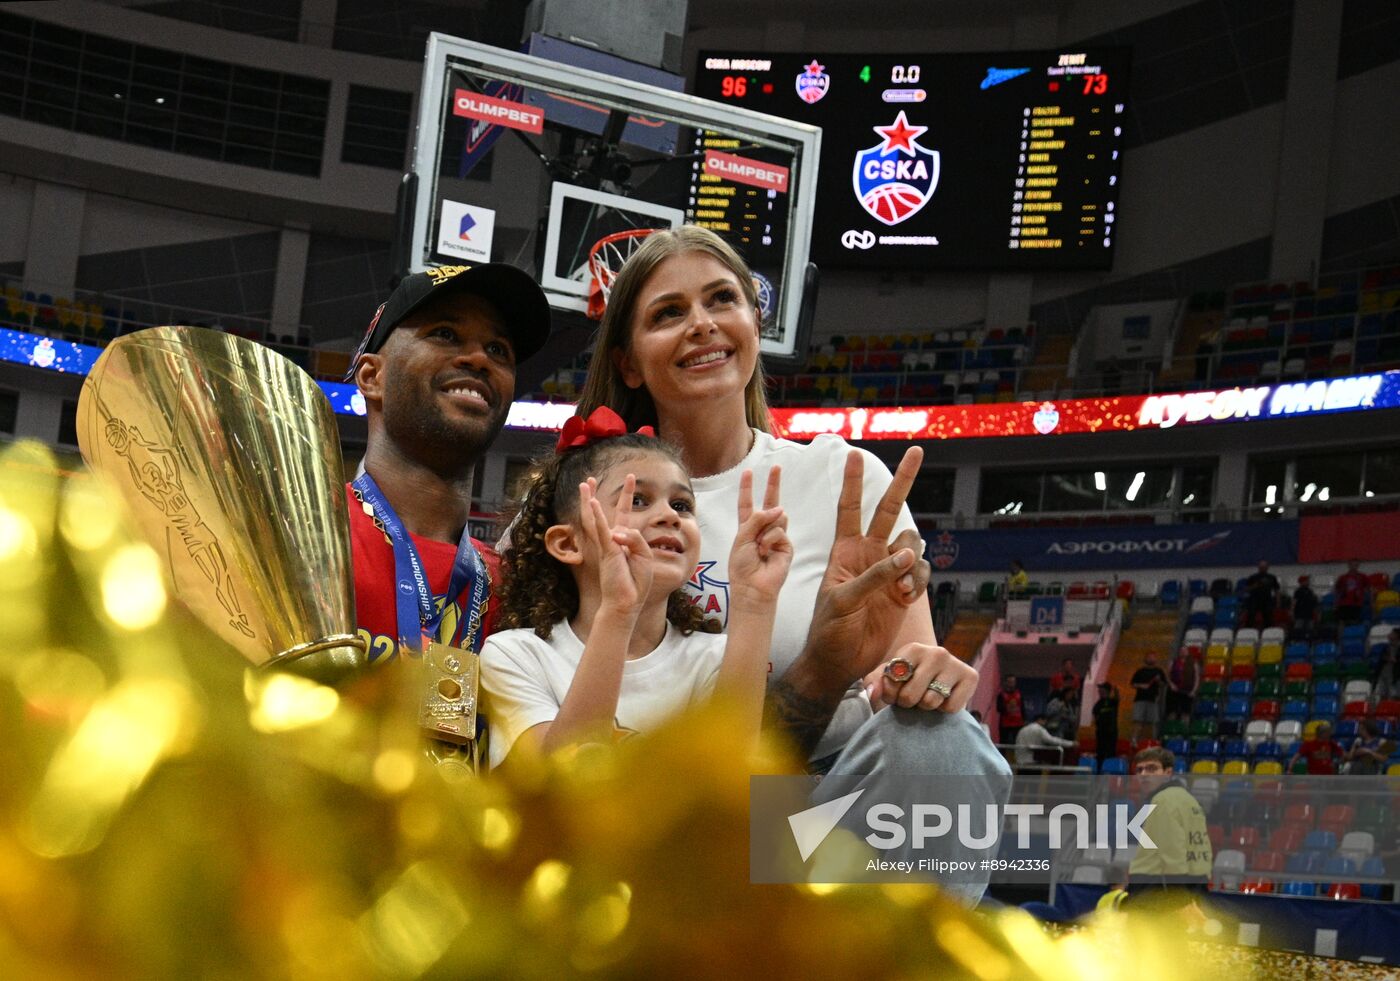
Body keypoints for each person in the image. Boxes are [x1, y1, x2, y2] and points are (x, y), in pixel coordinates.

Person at [572, 226, 1010, 899]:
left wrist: (923, 674)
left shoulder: (846, 479)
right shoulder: (585, 503)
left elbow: (910, 686)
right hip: (656, 829)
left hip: (811, 819)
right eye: (668, 313)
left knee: (939, 744)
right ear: (628, 363)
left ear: (755, 323)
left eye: (723, 300)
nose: (702, 324)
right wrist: (820, 669)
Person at [480, 425, 791, 766]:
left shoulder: (715, 658)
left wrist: (755, 605)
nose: (670, 516)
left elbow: (735, 789)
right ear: (568, 544)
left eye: (682, 505)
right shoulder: (515, 654)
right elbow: (554, 789)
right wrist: (619, 612)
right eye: (638, 500)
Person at [346, 262, 551, 666]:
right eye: (445, 334)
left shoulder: (517, 589)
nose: (478, 359)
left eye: (499, 350)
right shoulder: (303, 538)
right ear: (372, 376)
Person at [1126, 747, 1212, 908]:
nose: (1144, 775)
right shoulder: (1189, 799)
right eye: (1139, 770)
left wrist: (1178, 896)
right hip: (1195, 879)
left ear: (1168, 772)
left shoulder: (1163, 800)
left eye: (1152, 768)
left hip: (1156, 886)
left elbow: (1172, 850)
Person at [1130, 654, 1168, 742]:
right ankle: (1134, 741)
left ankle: (1153, 741)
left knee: (1153, 722)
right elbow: (1132, 684)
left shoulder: (1159, 671)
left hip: (1153, 699)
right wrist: (1141, 685)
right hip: (1140, 699)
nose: (1151, 658)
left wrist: (1159, 681)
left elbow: (1164, 685)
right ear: (1145, 659)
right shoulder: (1140, 671)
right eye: (1149, 657)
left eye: (1153, 657)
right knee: (1137, 720)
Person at [1165, 646, 1199, 722]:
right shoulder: (1173, 662)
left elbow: (1196, 678)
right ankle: (1171, 731)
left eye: (1184, 650)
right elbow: (1167, 675)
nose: (1183, 652)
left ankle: (1183, 731)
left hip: (1187, 691)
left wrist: (1193, 691)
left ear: (1187, 652)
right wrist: (1171, 684)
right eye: (1181, 650)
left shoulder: (1193, 663)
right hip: (1174, 691)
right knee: (1172, 713)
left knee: (1186, 713)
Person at [1243, 560, 1279, 629]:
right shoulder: (1253, 577)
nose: (1262, 568)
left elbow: (1276, 590)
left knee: (1268, 619)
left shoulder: (1272, 577)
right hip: (1254, 600)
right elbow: (1246, 589)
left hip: (1267, 600)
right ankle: (1248, 632)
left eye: (1264, 567)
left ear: (1267, 567)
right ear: (1258, 567)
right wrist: (1254, 586)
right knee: (1250, 617)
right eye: (1261, 567)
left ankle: (1268, 633)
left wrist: (1278, 602)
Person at [1093, 681, 1120, 771]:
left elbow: (1117, 699)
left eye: (1102, 689)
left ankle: (1110, 772)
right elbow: (1095, 716)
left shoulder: (1112, 701)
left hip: (1111, 732)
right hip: (1101, 733)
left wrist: (1116, 691)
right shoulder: (1098, 704)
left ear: (1107, 690)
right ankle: (1099, 772)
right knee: (1100, 753)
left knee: (1111, 753)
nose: (1099, 690)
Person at [1335, 559, 1370, 624]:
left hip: (1356, 603)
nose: (1354, 567)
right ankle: (1342, 634)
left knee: (1354, 622)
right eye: (1352, 565)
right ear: (1349, 565)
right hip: (1343, 603)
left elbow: (1369, 589)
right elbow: (1337, 590)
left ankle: (1353, 633)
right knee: (1342, 622)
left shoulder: (1363, 577)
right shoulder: (1342, 577)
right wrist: (1336, 603)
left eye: (1356, 565)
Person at [1373, 628, 1399, 704]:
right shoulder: (1386, 648)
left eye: (1392, 633)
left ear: (1397, 636)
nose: (1389, 634)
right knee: (1382, 695)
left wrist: (1395, 661)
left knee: (1394, 697)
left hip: (1394, 677)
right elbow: (1381, 660)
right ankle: (1383, 712)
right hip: (1383, 674)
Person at [997, 674, 1025, 745]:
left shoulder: (1019, 694)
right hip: (1005, 724)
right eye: (1009, 682)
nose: (1011, 684)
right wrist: (1008, 708)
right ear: (1006, 683)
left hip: (1018, 723)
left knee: (1018, 743)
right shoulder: (1001, 695)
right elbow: (998, 708)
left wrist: (1024, 719)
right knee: (1004, 743)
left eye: (1013, 682)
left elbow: (1023, 708)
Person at [1291, 575, 1319, 639]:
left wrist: (1316, 612)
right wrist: (1292, 612)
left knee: (1309, 631)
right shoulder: (1298, 591)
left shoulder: (1310, 591)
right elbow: (1294, 602)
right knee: (1298, 630)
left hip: (1309, 614)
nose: (1308, 582)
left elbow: (1314, 603)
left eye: (1307, 581)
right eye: (1306, 581)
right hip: (1300, 614)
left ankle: (1308, 642)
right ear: (1301, 582)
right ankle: (1298, 641)